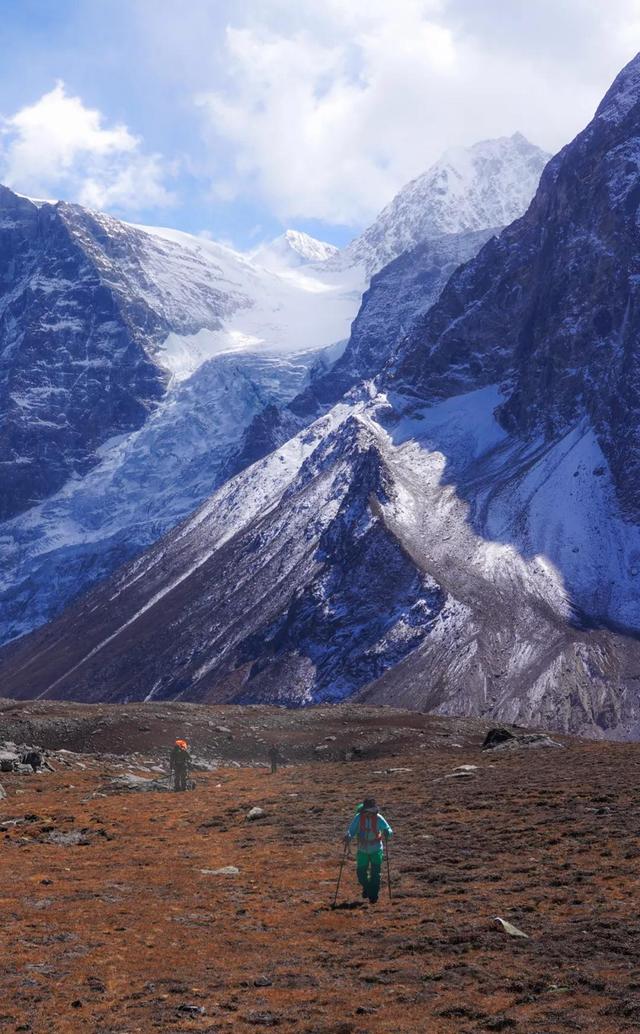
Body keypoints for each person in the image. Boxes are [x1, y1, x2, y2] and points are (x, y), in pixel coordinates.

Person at [344, 797, 392, 904]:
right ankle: (367, 888)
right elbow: (351, 830)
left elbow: (388, 828)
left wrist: (387, 832)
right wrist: (348, 836)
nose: (369, 813)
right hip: (362, 850)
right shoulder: (358, 818)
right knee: (361, 874)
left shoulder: (378, 818)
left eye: (371, 811)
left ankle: (373, 896)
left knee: (375, 874)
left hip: (376, 849)